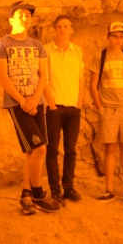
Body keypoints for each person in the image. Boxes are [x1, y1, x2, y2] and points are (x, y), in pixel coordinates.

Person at [0, 2, 62, 215]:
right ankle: (38, 193)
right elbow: (2, 77)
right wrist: (24, 101)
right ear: (11, 20)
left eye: (28, 15)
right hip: (17, 104)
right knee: (40, 149)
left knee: (32, 152)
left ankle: (25, 193)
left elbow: (43, 76)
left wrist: (35, 99)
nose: (25, 18)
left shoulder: (37, 45)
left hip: (37, 102)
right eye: (21, 14)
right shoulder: (2, 44)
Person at [91, 21, 123, 205]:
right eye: (115, 36)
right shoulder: (101, 56)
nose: (118, 40)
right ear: (108, 37)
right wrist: (99, 107)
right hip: (109, 108)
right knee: (110, 148)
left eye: (121, 36)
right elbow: (93, 84)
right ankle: (109, 189)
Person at [43, 15, 84, 203]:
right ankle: (55, 190)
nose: (63, 29)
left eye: (66, 26)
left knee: (71, 150)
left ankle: (69, 187)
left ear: (71, 29)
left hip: (73, 108)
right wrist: (51, 104)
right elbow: (44, 78)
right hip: (55, 107)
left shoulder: (77, 51)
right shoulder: (47, 50)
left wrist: (80, 103)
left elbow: (80, 79)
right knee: (52, 151)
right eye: (59, 26)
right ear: (55, 29)